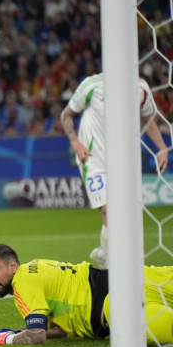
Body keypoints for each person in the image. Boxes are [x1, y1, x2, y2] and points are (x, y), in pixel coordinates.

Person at [60, 74, 169, 268]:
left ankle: (105, 251)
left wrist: (162, 147)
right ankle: (115, 263)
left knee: (125, 212)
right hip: (92, 159)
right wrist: (75, 143)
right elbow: (66, 114)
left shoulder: (141, 89)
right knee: (107, 208)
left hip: (124, 160)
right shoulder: (92, 85)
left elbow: (147, 119)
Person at [0, 243, 173, 345]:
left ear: (12, 265)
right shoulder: (36, 268)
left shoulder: (22, 282)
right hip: (139, 276)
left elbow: (37, 337)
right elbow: (59, 331)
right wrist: (17, 332)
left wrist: (0, 338)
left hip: (114, 304)